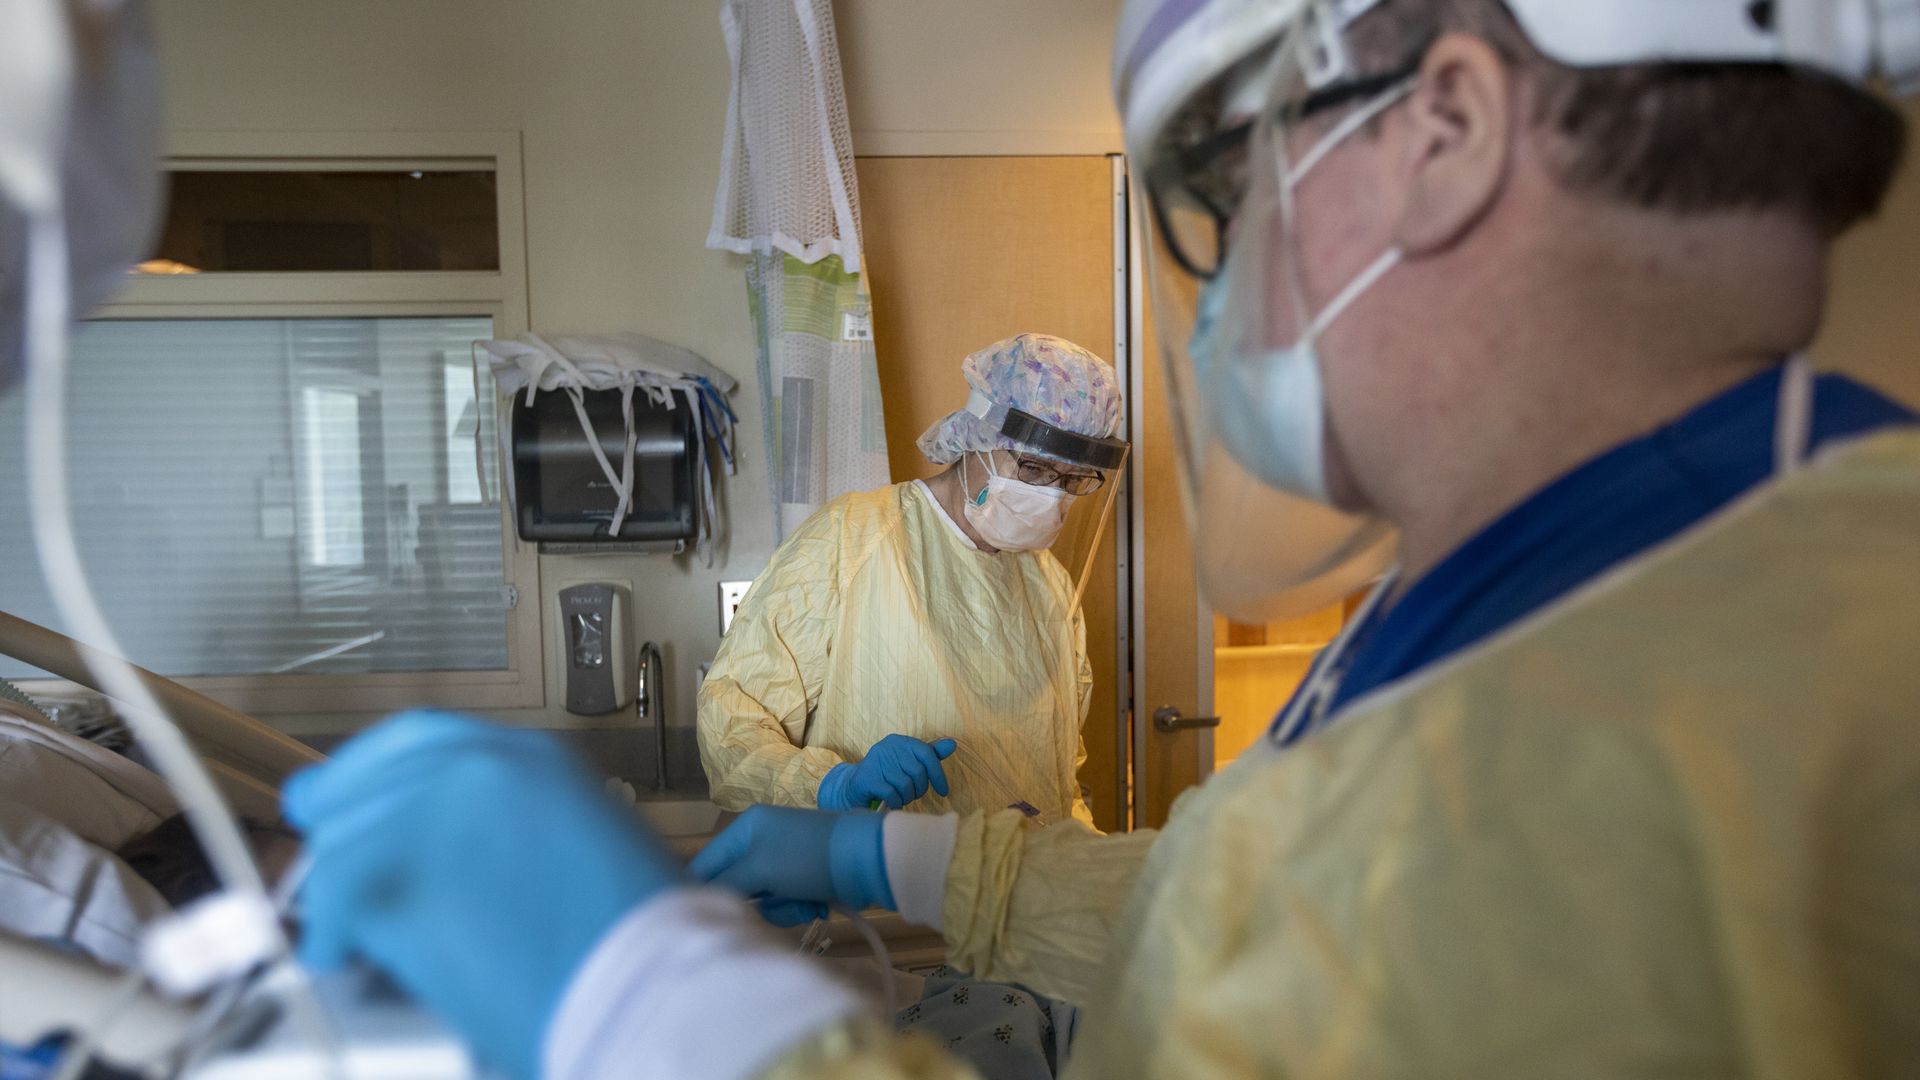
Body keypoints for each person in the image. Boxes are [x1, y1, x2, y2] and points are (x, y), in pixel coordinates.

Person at [23, 1, 1920, 1078]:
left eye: (1227, 188)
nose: (1231, 265)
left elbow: (1352, 912)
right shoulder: (1655, 587)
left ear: (1448, 125)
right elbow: (1264, 908)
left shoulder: (1599, 758)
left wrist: (657, 1014)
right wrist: (910, 846)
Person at [698, 333, 1126, 824]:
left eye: (1072, 480)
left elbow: (1059, 766)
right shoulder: (850, 539)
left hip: (1016, 883)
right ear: (978, 440)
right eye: (1033, 467)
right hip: (877, 889)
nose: (1052, 496)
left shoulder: (1048, 583)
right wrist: (835, 785)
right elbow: (733, 726)